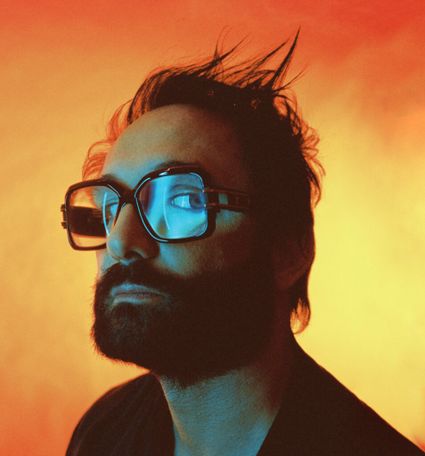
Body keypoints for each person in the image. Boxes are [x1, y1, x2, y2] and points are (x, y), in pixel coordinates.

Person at [61, 35, 424, 455]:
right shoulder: (104, 431)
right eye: (110, 208)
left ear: (288, 251)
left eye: (183, 201)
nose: (122, 242)